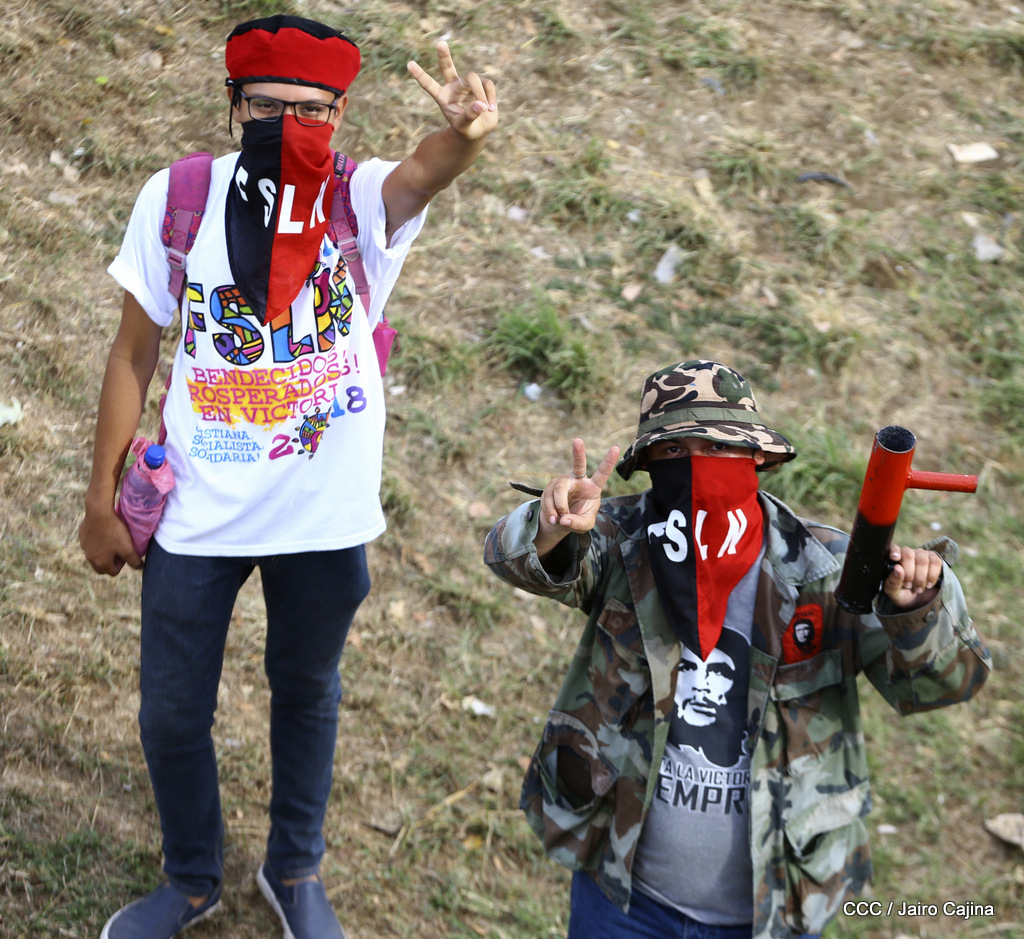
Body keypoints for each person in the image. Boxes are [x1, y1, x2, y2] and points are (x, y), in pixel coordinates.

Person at [78, 14, 497, 939]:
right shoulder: (179, 198)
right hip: (198, 510)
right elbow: (132, 352)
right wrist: (100, 498)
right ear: (235, 106)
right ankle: (191, 877)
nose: (287, 125)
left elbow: (425, 171)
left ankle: (295, 868)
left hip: (321, 515)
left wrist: (466, 136)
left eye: (310, 110)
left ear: (337, 117)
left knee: (308, 690)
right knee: (171, 712)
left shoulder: (359, 200)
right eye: (266, 106)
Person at [483, 359, 990, 939]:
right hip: (623, 896)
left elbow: (943, 685)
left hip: (776, 907)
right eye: (676, 451)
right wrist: (551, 528)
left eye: (717, 447)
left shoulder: (826, 568)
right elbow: (513, 558)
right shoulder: (623, 541)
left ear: (757, 458)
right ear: (649, 464)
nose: (698, 466)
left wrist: (918, 609)